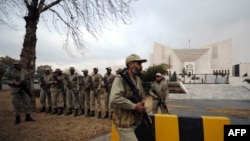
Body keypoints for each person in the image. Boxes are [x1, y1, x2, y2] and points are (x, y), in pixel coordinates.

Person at [109, 54, 147, 141]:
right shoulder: (120, 79)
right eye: (139, 64)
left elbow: (141, 98)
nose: (141, 67)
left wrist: (144, 115)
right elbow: (115, 98)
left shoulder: (137, 79)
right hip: (123, 122)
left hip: (133, 121)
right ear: (130, 65)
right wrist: (134, 106)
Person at [1, 61, 35, 125]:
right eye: (16, 65)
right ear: (15, 65)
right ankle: (17, 118)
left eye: (19, 64)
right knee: (16, 104)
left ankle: (28, 117)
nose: (18, 66)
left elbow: (30, 81)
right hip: (15, 90)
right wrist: (12, 82)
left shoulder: (25, 72)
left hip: (25, 90)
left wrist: (31, 89)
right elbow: (3, 80)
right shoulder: (10, 72)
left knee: (27, 103)